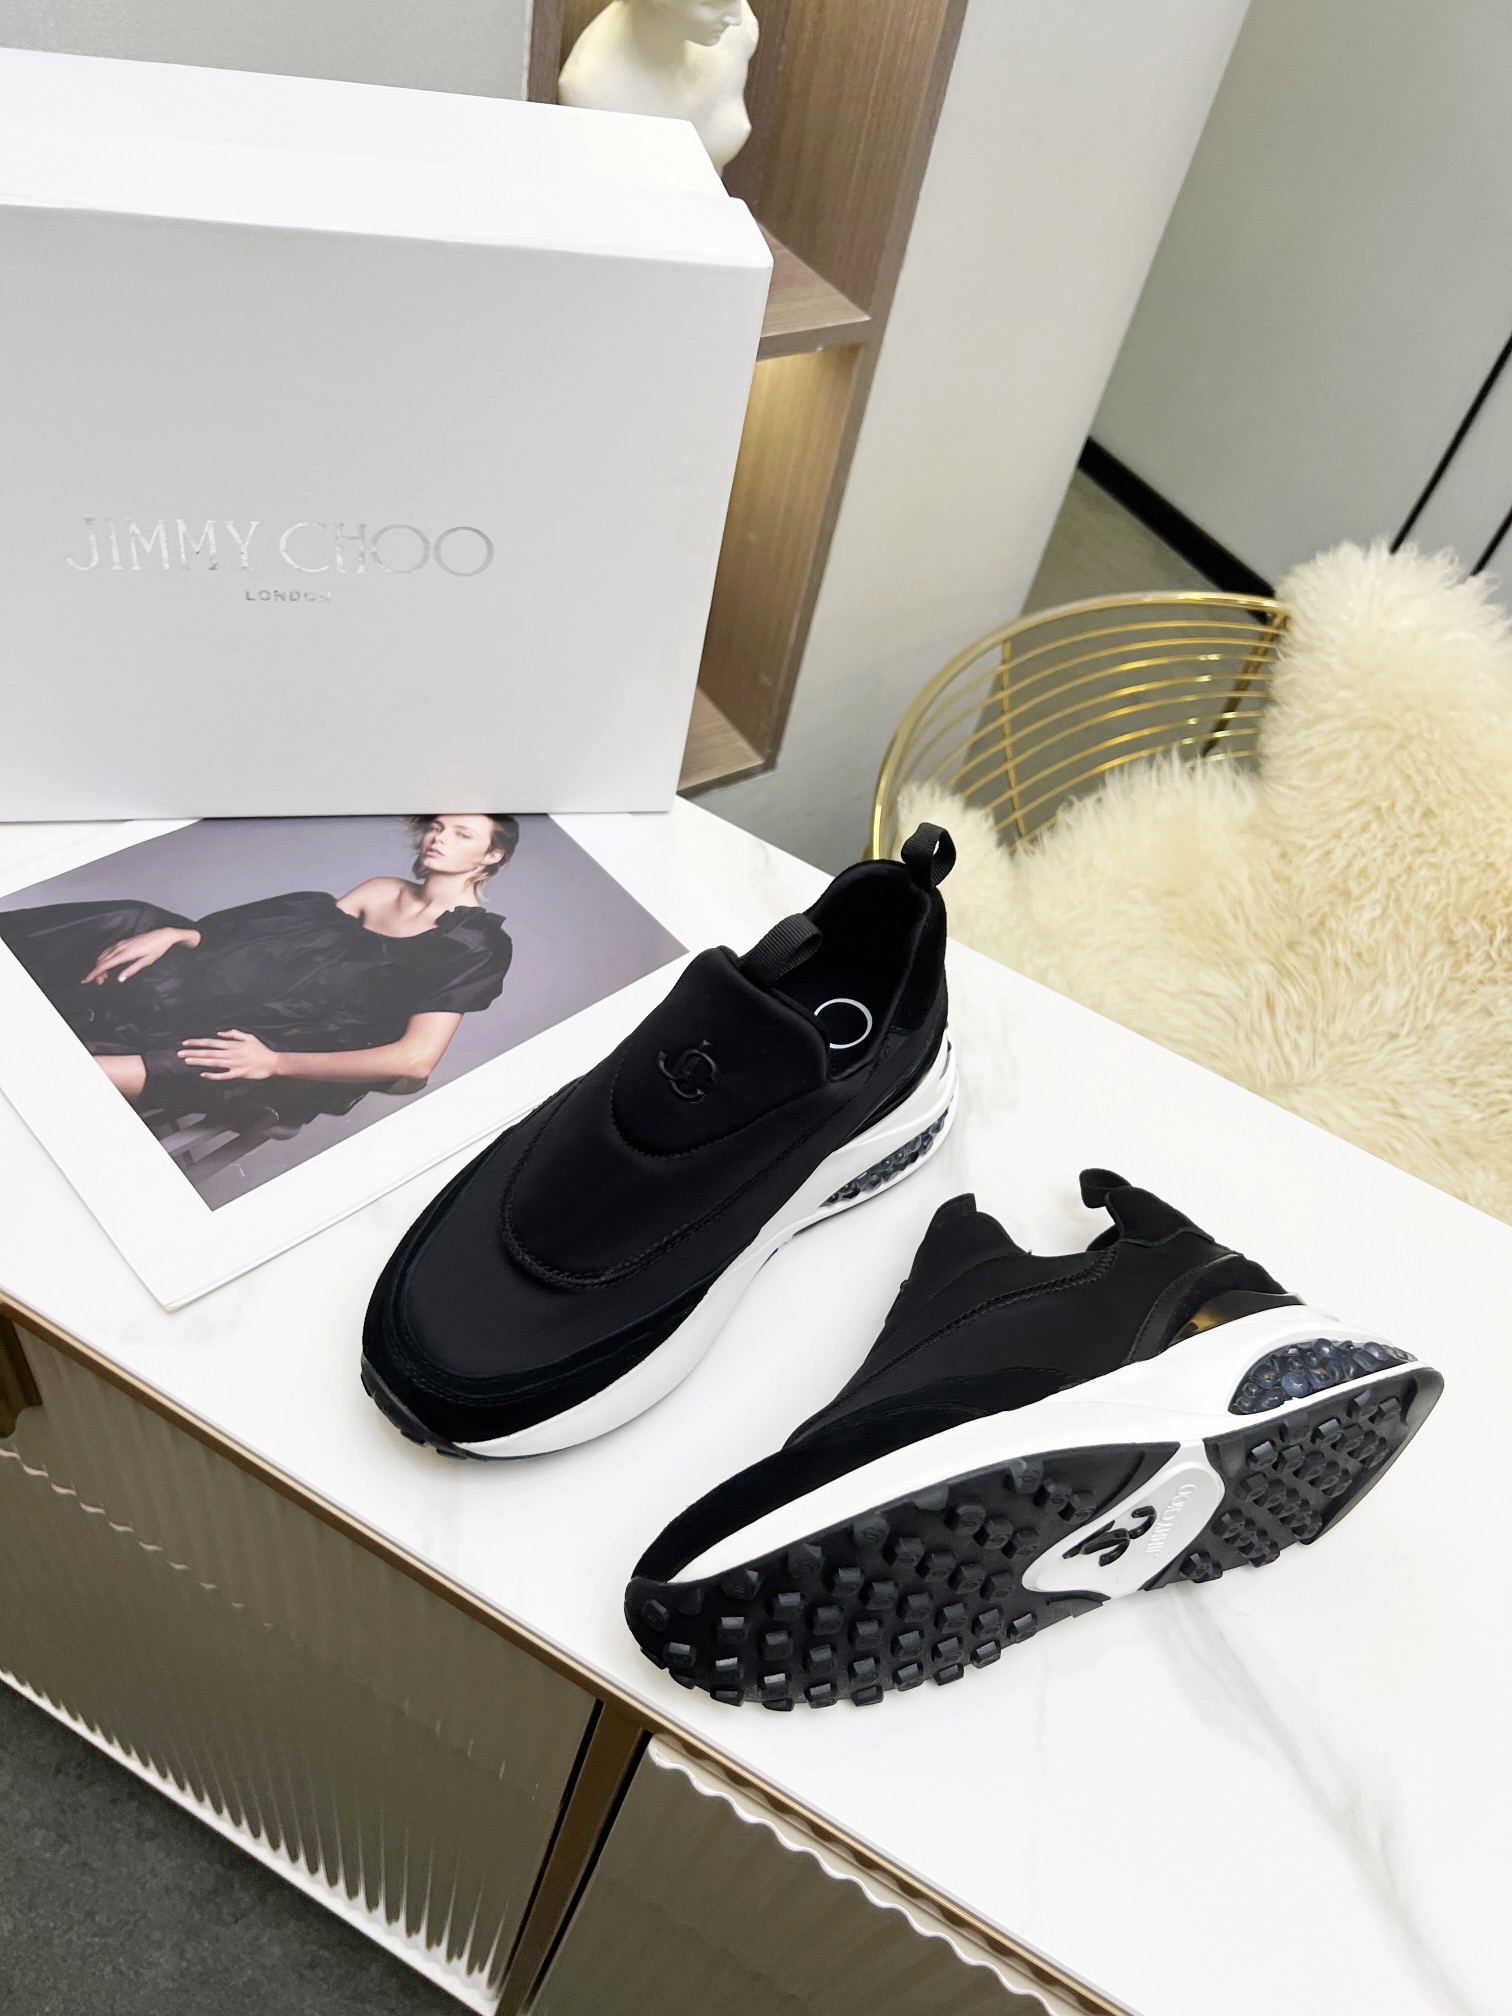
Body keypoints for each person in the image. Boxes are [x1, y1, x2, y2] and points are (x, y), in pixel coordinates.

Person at [0, 815, 518, 1133]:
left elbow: (414, 1060)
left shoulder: (476, 943)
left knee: (180, 1056)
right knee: (134, 921)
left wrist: (273, 1062)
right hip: (257, 998)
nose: (437, 838)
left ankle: (31, 1071)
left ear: (491, 855)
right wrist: (184, 935)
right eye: (436, 826)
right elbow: (279, 944)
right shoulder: (383, 889)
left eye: (461, 834)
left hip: (294, 1050)